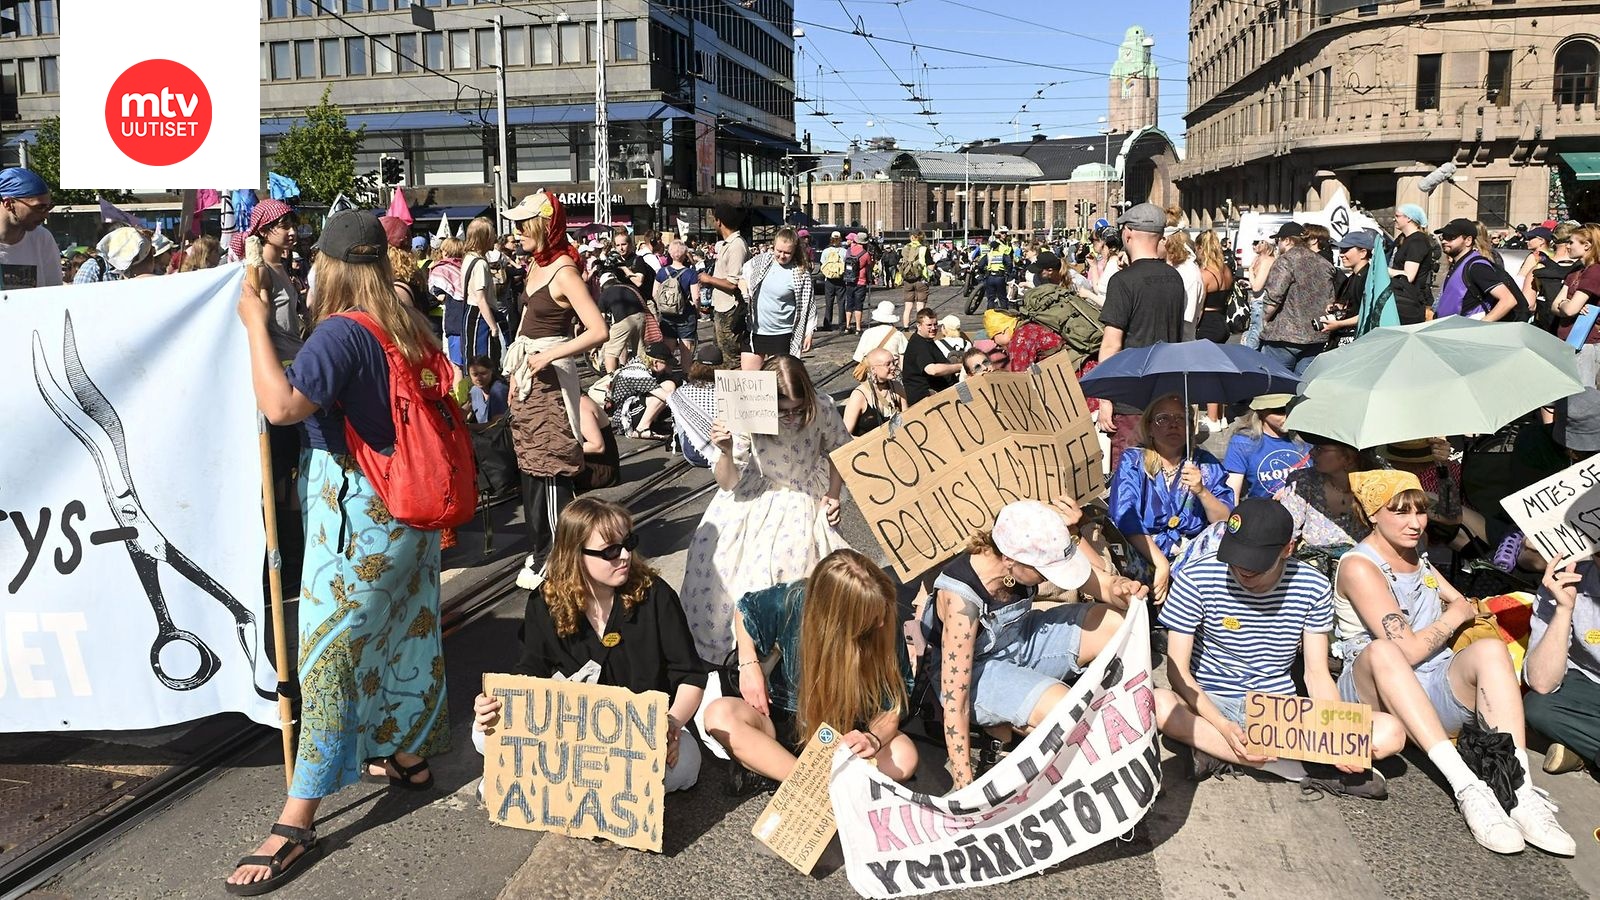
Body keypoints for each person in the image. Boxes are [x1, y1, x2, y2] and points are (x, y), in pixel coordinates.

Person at [226, 211, 450, 894]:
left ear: (326, 266)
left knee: (328, 657)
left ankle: (298, 818)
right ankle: (408, 753)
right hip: (409, 510)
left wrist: (253, 324)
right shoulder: (402, 317)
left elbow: (281, 406)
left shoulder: (340, 331)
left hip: (355, 514)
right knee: (405, 635)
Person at [1333, 470, 1574, 855]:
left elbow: (1462, 602)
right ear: (1372, 514)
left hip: (1430, 683)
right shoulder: (1359, 565)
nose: (1415, 523)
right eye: (1399, 512)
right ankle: (1468, 788)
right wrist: (1454, 615)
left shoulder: (1417, 552)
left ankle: (1519, 789)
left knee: (1491, 651)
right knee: (1385, 651)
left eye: (1419, 511)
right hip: (1375, 693)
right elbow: (1409, 649)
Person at [1156, 499, 1402, 797]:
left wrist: (1339, 737)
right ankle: (1296, 769)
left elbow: (1315, 672)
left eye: (1255, 561)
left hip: (1276, 709)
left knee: (1391, 733)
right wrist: (1221, 724)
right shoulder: (1197, 577)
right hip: (1210, 700)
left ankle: (1215, 751)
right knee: (1157, 703)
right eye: (1235, 556)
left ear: (1288, 549)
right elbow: (1177, 670)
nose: (1242, 568)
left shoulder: (1312, 586)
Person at [471, 499, 707, 791]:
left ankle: (564, 782)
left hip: (637, 731)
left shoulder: (655, 596)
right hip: (572, 733)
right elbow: (530, 670)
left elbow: (690, 675)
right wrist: (494, 703)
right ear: (575, 555)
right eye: (610, 550)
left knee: (686, 765)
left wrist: (671, 724)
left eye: (628, 542)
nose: (624, 556)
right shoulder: (545, 602)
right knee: (481, 733)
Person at [930, 498, 1144, 788]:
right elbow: (956, 700)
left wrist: (1123, 591)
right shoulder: (961, 600)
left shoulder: (1022, 559)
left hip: (1020, 639)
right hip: (976, 674)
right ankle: (1017, 726)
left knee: (1115, 623)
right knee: (1064, 708)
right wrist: (963, 785)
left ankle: (1012, 725)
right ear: (1009, 560)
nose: (1048, 577)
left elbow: (1103, 587)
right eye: (1044, 570)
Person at [704, 549, 918, 795]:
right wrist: (748, 663)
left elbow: (892, 706)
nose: (881, 623)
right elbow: (745, 610)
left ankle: (798, 781)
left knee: (904, 757)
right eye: (869, 618)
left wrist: (873, 739)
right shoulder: (793, 601)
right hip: (783, 721)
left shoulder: (884, 623)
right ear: (834, 617)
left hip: (846, 733)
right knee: (719, 715)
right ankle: (814, 788)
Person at [681, 355, 850, 662]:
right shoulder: (748, 410)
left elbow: (841, 451)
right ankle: (740, 657)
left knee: (792, 570)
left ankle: (790, 658)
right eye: (783, 410)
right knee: (716, 561)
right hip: (754, 493)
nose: (791, 417)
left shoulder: (822, 407)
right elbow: (728, 483)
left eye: (798, 409)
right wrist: (726, 451)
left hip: (802, 497)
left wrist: (833, 495)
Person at [500, 192, 610, 587]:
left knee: (549, 468)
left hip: (548, 379)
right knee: (531, 465)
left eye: (521, 224)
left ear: (544, 225)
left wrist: (549, 356)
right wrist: (516, 377)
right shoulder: (536, 264)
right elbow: (526, 323)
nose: (514, 232)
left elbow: (598, 330)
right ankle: (542, 550)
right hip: (530, 379)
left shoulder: (564, 270)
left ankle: (555, 556)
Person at [1109, 394, 1235, 598]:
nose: (1173, 424)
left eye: (1180, 418)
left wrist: (1202, 491)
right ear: (1150, 426)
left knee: (1223, 533)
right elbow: (1125, 516)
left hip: (1190, 553)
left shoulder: (1205, 462)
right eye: (1163, 419)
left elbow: (1224, 520)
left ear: (1190, 427)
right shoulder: (1133, 460)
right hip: (1144, 550)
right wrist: (1161, 563)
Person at [1096, 203, 1187, 468]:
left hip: (1130, 397)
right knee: (1166, 471)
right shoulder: (1175, 278)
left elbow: (1111, 345)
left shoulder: (1123, 281)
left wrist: (1104, 399)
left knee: (1129, 476)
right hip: (1167, 394)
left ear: (1127, 234)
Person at [1524, 551, 1600, 776]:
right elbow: (1541, 682)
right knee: (1539, 708)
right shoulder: (1567, 577)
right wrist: (1564, 609)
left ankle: (1582, 751)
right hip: (1587, 686)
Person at [1258, 222, 1336, 375]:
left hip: (1284, 336)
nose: (1277, 244)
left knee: (1276, 384)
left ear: (1287, 240)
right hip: (1315, 334)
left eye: (1278, 240)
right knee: (1302, 386)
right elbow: (1330, 299)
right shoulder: (1324, 263)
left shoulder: (1286, 260)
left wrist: (1265, 319)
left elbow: (1274, 296)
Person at [1275, 438, 1370, 559]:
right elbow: (1286, 530)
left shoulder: (1376, 486)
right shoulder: (1302, 481)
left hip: (1363, 566)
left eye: (1320, 449)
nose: (1311, 453)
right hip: (1313, 567)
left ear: (1348, 458)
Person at [738, 226, 815, 369]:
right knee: (749, 380)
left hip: (782, 334)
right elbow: (742, 276)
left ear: (794, 252)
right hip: (754, 330)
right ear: (773, 246)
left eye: (787, 253)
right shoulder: (760, 262)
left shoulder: (800, 273)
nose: (782, 256)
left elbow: (808, 304)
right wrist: (744, 290)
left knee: (778, 383)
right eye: (778, 251)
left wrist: (809, 332)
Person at [246, 199, 308, 365]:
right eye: (284, 226)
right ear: (264, 231)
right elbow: (258, 322)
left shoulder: (279, 266)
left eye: (293, 226)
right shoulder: (261, 270)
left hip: (296, 355)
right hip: (280, 362)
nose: (293, 232)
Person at [1223, 394, 1309, 501]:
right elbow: (1231, 495)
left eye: (1291, 408)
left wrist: (1295, 488)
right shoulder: (1243, 443)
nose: (1287, 415)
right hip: (1264, 513)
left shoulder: (1308, 437)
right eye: (1280, 410)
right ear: (1261, 411)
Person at [1434, 218, 1521, 322]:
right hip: (1449, 329)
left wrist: (1480, 325)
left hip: (1465, 332)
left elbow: (1508, 300)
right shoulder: (1460, 264)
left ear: (1468, 240)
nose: (1444, 241)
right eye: (1443, 237)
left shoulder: (1477, 266)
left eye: (1450, 237)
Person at [698, 205, 749, 366]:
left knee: (731, 356)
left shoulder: (736, 246)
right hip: (721, 308)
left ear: (719, 221)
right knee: (720, 353)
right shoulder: (727, 244)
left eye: (714, 219)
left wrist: (708, 279)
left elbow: (733, 283)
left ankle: (735, 388)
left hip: (730, 309)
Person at [1553, 224, 1600, 387]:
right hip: (1569, 340)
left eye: (1572, 242)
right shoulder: (1575, 272)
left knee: (1583, 399)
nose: (1567, 246)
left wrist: (1565, 304)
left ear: (1587, 245)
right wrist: (1566, 304)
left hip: (1585, 342)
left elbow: (1571, 309)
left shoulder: (1595, 272)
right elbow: (1554, 306)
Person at [0, 167, 62, 290]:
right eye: (39, 207)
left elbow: (54, 292)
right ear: (8, 204)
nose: (46, 215)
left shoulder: (42, 239)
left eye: (49, 207)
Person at [608, 341, 683, 439]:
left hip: (631, 409)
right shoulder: (638, 374)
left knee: (669, 388)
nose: (670, 367)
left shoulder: (641, 365)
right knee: (668, 388)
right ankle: (641, 429)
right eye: (667, 364)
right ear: (655, 363)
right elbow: (667, 397)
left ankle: (654, 424)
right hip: (626, 419)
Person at [665, 342, 722, 467]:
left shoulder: (682, 392)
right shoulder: (727, 390)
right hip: (728, 454)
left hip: (695, 455)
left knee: (678, 408)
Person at [461, 216, 506, 358]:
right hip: (481, 316)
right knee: (484, 363)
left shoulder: (468, 258)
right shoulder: (480, 263)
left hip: (470, 313)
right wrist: (494, 328)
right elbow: (481, 299)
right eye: (492, 235)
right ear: (484, 237)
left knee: (473, 361)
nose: (495, 239)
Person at [655, 239, 701, 372]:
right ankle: (686, 378)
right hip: (686, 315)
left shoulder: (662, 272)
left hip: (667, 315)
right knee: (686, 349)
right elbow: (696, 297)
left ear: (669, 253)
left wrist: (663, 306)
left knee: (668, 350)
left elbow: (654, 293)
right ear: (685, 254)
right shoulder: (691, 273)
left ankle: (668, 377)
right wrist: (696, 311)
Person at [901, 307, 963, 406]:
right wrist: (960, 367)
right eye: (929, 325)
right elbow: (932, 370)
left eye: (935, 324)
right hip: (926, 399)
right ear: (919, 326)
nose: (933, 328)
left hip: (945, 392)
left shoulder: (927, 341)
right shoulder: (918, 344)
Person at [842, 347, 905, 437]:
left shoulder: (897, 387)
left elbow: (907, 417)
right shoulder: (859, 395)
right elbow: (846, 434)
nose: (893, 367)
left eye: (894, 362)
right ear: (873, 369)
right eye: (888, 364)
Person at [1389, 204, 1435, 325]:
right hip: (1402, 297)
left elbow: (1409, 276)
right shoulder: (1405, 239)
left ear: (1409, 218)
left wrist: (1383, 270)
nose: (1394, 219)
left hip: (1411, 302)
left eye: (1397, 216)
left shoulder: (1417, 241)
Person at [573, 394, 620, 493]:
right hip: (592, 465)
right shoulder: (577, 401)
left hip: (600, 472)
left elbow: (597, 446)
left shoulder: (581, 406)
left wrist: (564, 447)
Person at [1163, 229, 1204, 341]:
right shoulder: (1176, 268)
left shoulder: (1188, 272)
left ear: (1165, 240)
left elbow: (1185, 320)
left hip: (1180, 345)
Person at [1242, 236, 1276, 349]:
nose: (1253, 245)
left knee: (1254, 337)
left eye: (1256, 242)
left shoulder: (1267, 261)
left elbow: (1257, 287)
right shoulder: (1259, 259)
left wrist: (1251, 270)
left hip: (1261, 303)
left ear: (1264, 243)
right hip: (1257, 302)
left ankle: (1248, 363)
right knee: (1253, 331)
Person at [844, 233, 873, 335]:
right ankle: (858, 327)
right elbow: (869, 267)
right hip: (861, 281)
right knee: (858, 305)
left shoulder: (848, 251)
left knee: (849, 304)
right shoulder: (866, 254)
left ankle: (847, 326)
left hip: (849, 280)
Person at [818, 230, 847, 331]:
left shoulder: (826, 251)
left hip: (829, 280)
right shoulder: (844, 251)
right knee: (841, 303)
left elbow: (822, 264)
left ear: (831, 239)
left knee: (829, 303)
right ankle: (842, 324)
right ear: (840, 240)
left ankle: (827, 324)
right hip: (841, 280)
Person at [900, 231, 930, 326]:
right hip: (921, 279)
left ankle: (906, 327)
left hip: (907, 279)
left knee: (907, 307)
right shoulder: (924, 249)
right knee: (920, 306)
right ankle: (919, 327)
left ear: (911, 237)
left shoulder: (905, 248)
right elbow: (931, 264)